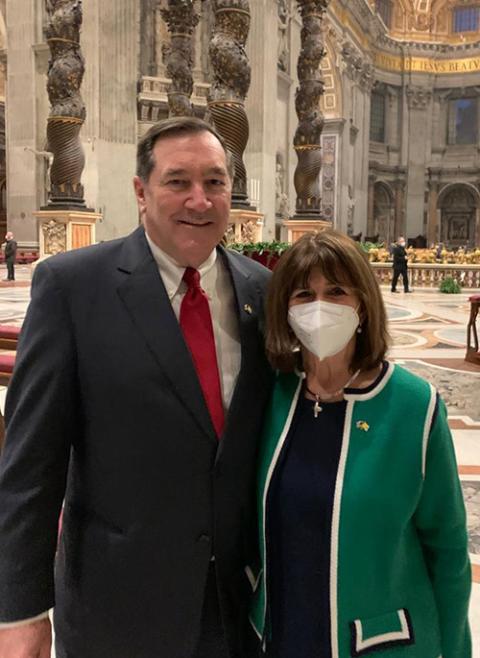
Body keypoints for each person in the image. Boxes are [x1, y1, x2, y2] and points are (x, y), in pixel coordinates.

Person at [0, 117, 273, 658]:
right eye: (178, 181)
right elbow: (30, 467)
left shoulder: (261, 291)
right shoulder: (73, 287)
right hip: (118, 606)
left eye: (215, 182)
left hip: (239, 607)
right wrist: (21, 611)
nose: (199, 200)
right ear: (141, 192)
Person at [249, 230, 471, 658]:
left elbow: (448, 550)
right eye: (303, 294)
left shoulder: (413, 406)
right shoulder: (273, 397)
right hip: (281, 635)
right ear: (285, 308)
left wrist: (458, 650)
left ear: (363, 305)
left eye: (336, 292)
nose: (320, 308)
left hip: (378, 643)